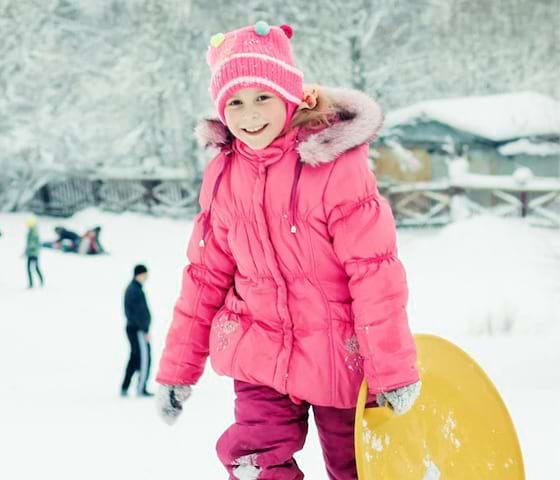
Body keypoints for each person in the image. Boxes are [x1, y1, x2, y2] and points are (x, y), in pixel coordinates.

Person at [155, 22, 421, 479]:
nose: (249, 114)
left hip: (340, 354)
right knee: (255, 458)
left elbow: (375, 273)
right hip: (259, 352)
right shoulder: (223, 177)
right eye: (235, 101)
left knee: (356, 466)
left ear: (290, 97)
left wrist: (393, 371)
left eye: (263, 97)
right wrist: (178, 368)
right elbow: (204, 276)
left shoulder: (334, 166)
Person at [121, 264, 153, 398]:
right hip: (137, 330)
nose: (146, 278)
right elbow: (136, 313)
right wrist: (144, 330)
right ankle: (141, 388)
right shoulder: (134, 290)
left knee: (135, 358)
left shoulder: (135, 289)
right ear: (139, 274)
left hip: (135, 329)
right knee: (145, 358)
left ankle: (125, 386)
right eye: (144, 275)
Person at [25, 217, 44, 288]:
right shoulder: (32, 231)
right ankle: (34, 282)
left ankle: (33, 283)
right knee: (33, 268)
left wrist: (27, 251)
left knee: (33, 268)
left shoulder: (33, 232)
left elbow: (32, 244)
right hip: (32, 253)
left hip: (33, 253)